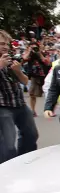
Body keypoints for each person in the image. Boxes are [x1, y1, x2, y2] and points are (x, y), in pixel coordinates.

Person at [0, 30, 39, 164]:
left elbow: (25, 81)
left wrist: (17, 71)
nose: (5, 47)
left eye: (6, 44)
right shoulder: (2, 62)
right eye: (1, 44)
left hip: (20, 104)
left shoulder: (10, 59)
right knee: (8, 145)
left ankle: (23, 163)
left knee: (31, 135)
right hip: (3, 107)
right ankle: (7, 170)